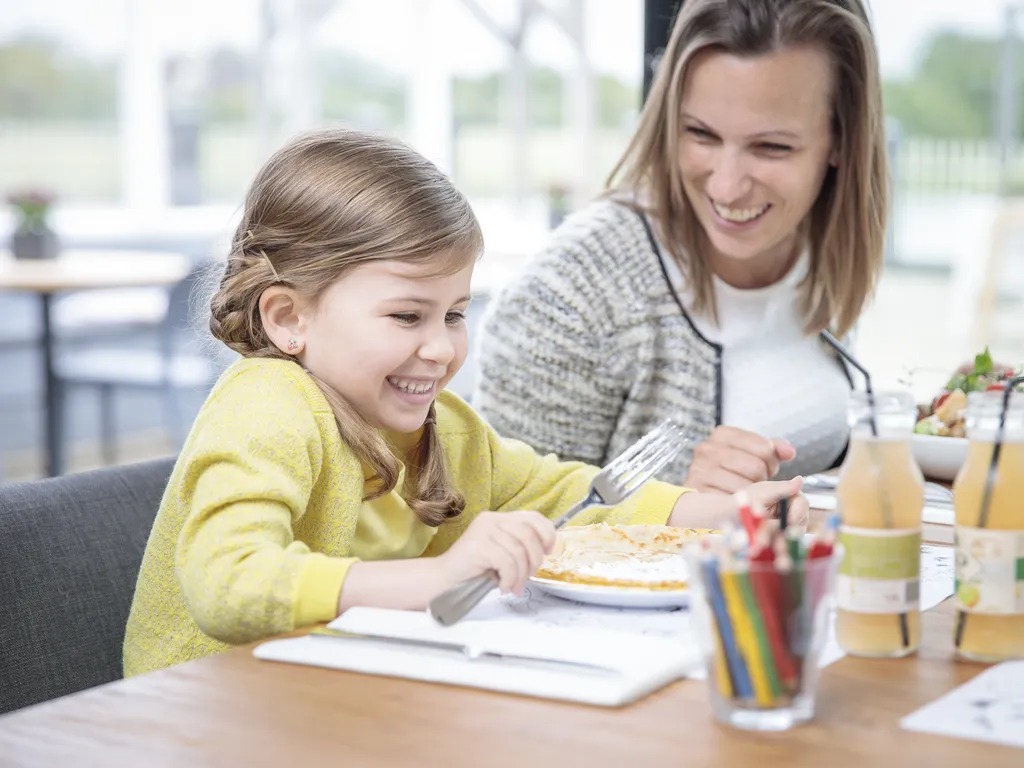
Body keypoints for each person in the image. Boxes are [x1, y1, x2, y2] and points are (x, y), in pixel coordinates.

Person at [122, 128, 804, 677]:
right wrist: (437, 577)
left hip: (340, 700)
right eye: (406, 316)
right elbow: (230, 584)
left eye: (454, 314)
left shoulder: (441, 429)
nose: (442, 350)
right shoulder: (268, 404)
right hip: (203, 722)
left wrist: (720, 515)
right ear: (289, 318)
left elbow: (567, 493)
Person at [473, 0, 888, 494]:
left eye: (772, 147)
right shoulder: (573, 290)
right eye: (701, 134)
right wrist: (679, 512)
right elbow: (503, 523)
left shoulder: (817, 247)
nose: (728, 187)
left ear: (841, 140)